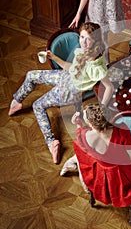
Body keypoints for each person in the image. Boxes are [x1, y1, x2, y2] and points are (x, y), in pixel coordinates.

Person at [8, 22, 114, 165]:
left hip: (69, 92)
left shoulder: (97, 66)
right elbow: (71, 68)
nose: (83, 42)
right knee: (31, 75)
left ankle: (51, 143)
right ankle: (17, 101)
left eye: (88, 39)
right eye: (82, 37)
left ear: (96, 40)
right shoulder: (83, 51)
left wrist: (102, 107)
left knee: (37, 106)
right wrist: (54, 58)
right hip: (65, 77)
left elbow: (109, 87)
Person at [60, 103, 131, 208]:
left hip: (102, 174)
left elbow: (80, 135)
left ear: (91, 125)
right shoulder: (121, 131)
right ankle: (73, 161)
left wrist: (78, 124)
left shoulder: (84, 135)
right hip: (123, 173)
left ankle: (73, 163)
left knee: (82, 153)